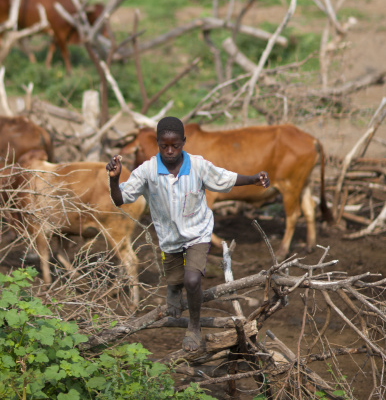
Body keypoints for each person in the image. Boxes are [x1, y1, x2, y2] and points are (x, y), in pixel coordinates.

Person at [106, 116, 270, 352]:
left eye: (175, 145)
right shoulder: (148, 171)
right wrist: (114, 180)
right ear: (157, 144)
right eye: (164, 146)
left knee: (192, 281)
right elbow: (120, 199)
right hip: (169, 237)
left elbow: (225, 178)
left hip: (198, 233)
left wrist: (253, 178)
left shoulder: (198, 165)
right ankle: (172, 289)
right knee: (175, 280)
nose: (170, 151)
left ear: (184, 142)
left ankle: (194, 328)